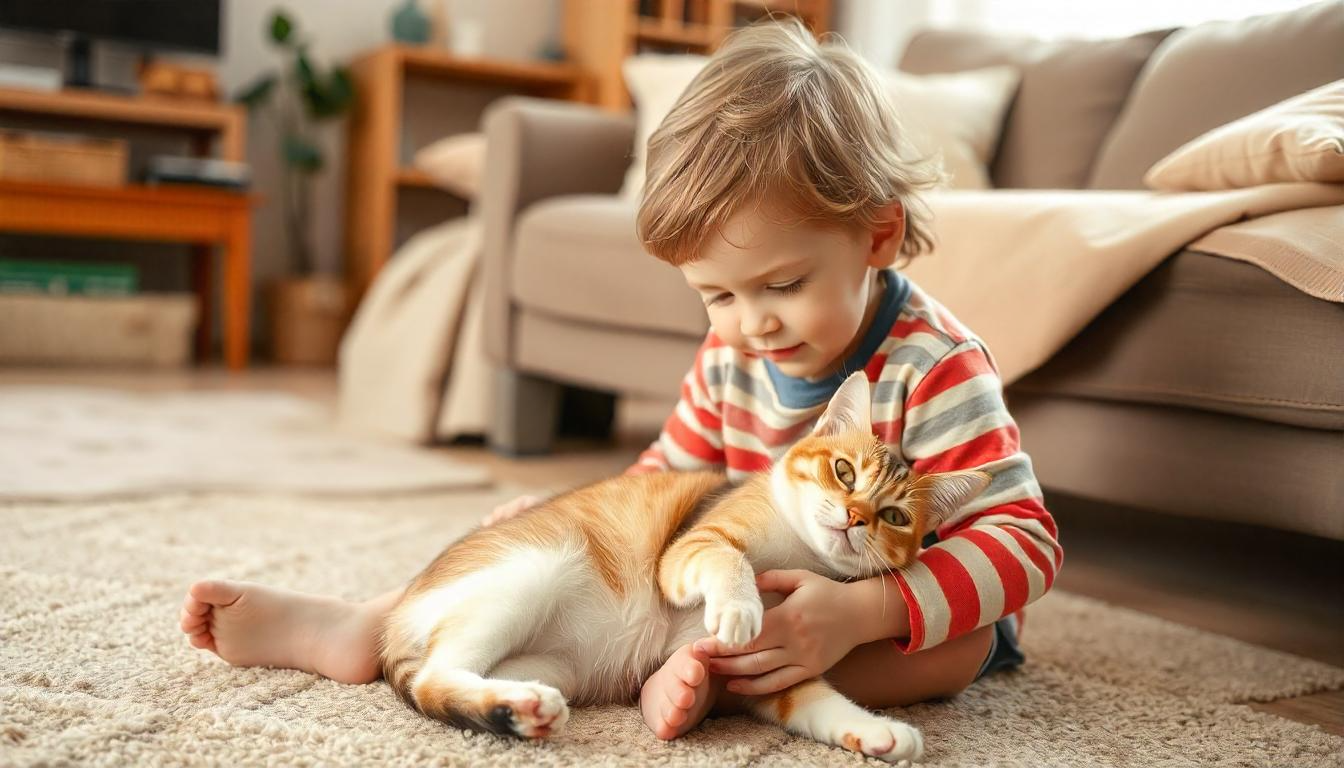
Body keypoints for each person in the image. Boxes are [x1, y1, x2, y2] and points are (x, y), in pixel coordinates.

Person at [179, 19, 1061, 742]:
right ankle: (365, 623)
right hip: (736, 579)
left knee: (961, 647)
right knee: (567, 556)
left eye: (782, 286)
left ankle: (713, 685)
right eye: (717, 294)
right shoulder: (731, 355)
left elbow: (1024, 540)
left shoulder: (935, 364)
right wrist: (566, 513)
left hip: (887, 604)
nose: (751, 323)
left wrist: (865, 612)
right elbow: (660, 485)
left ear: (875, 236)